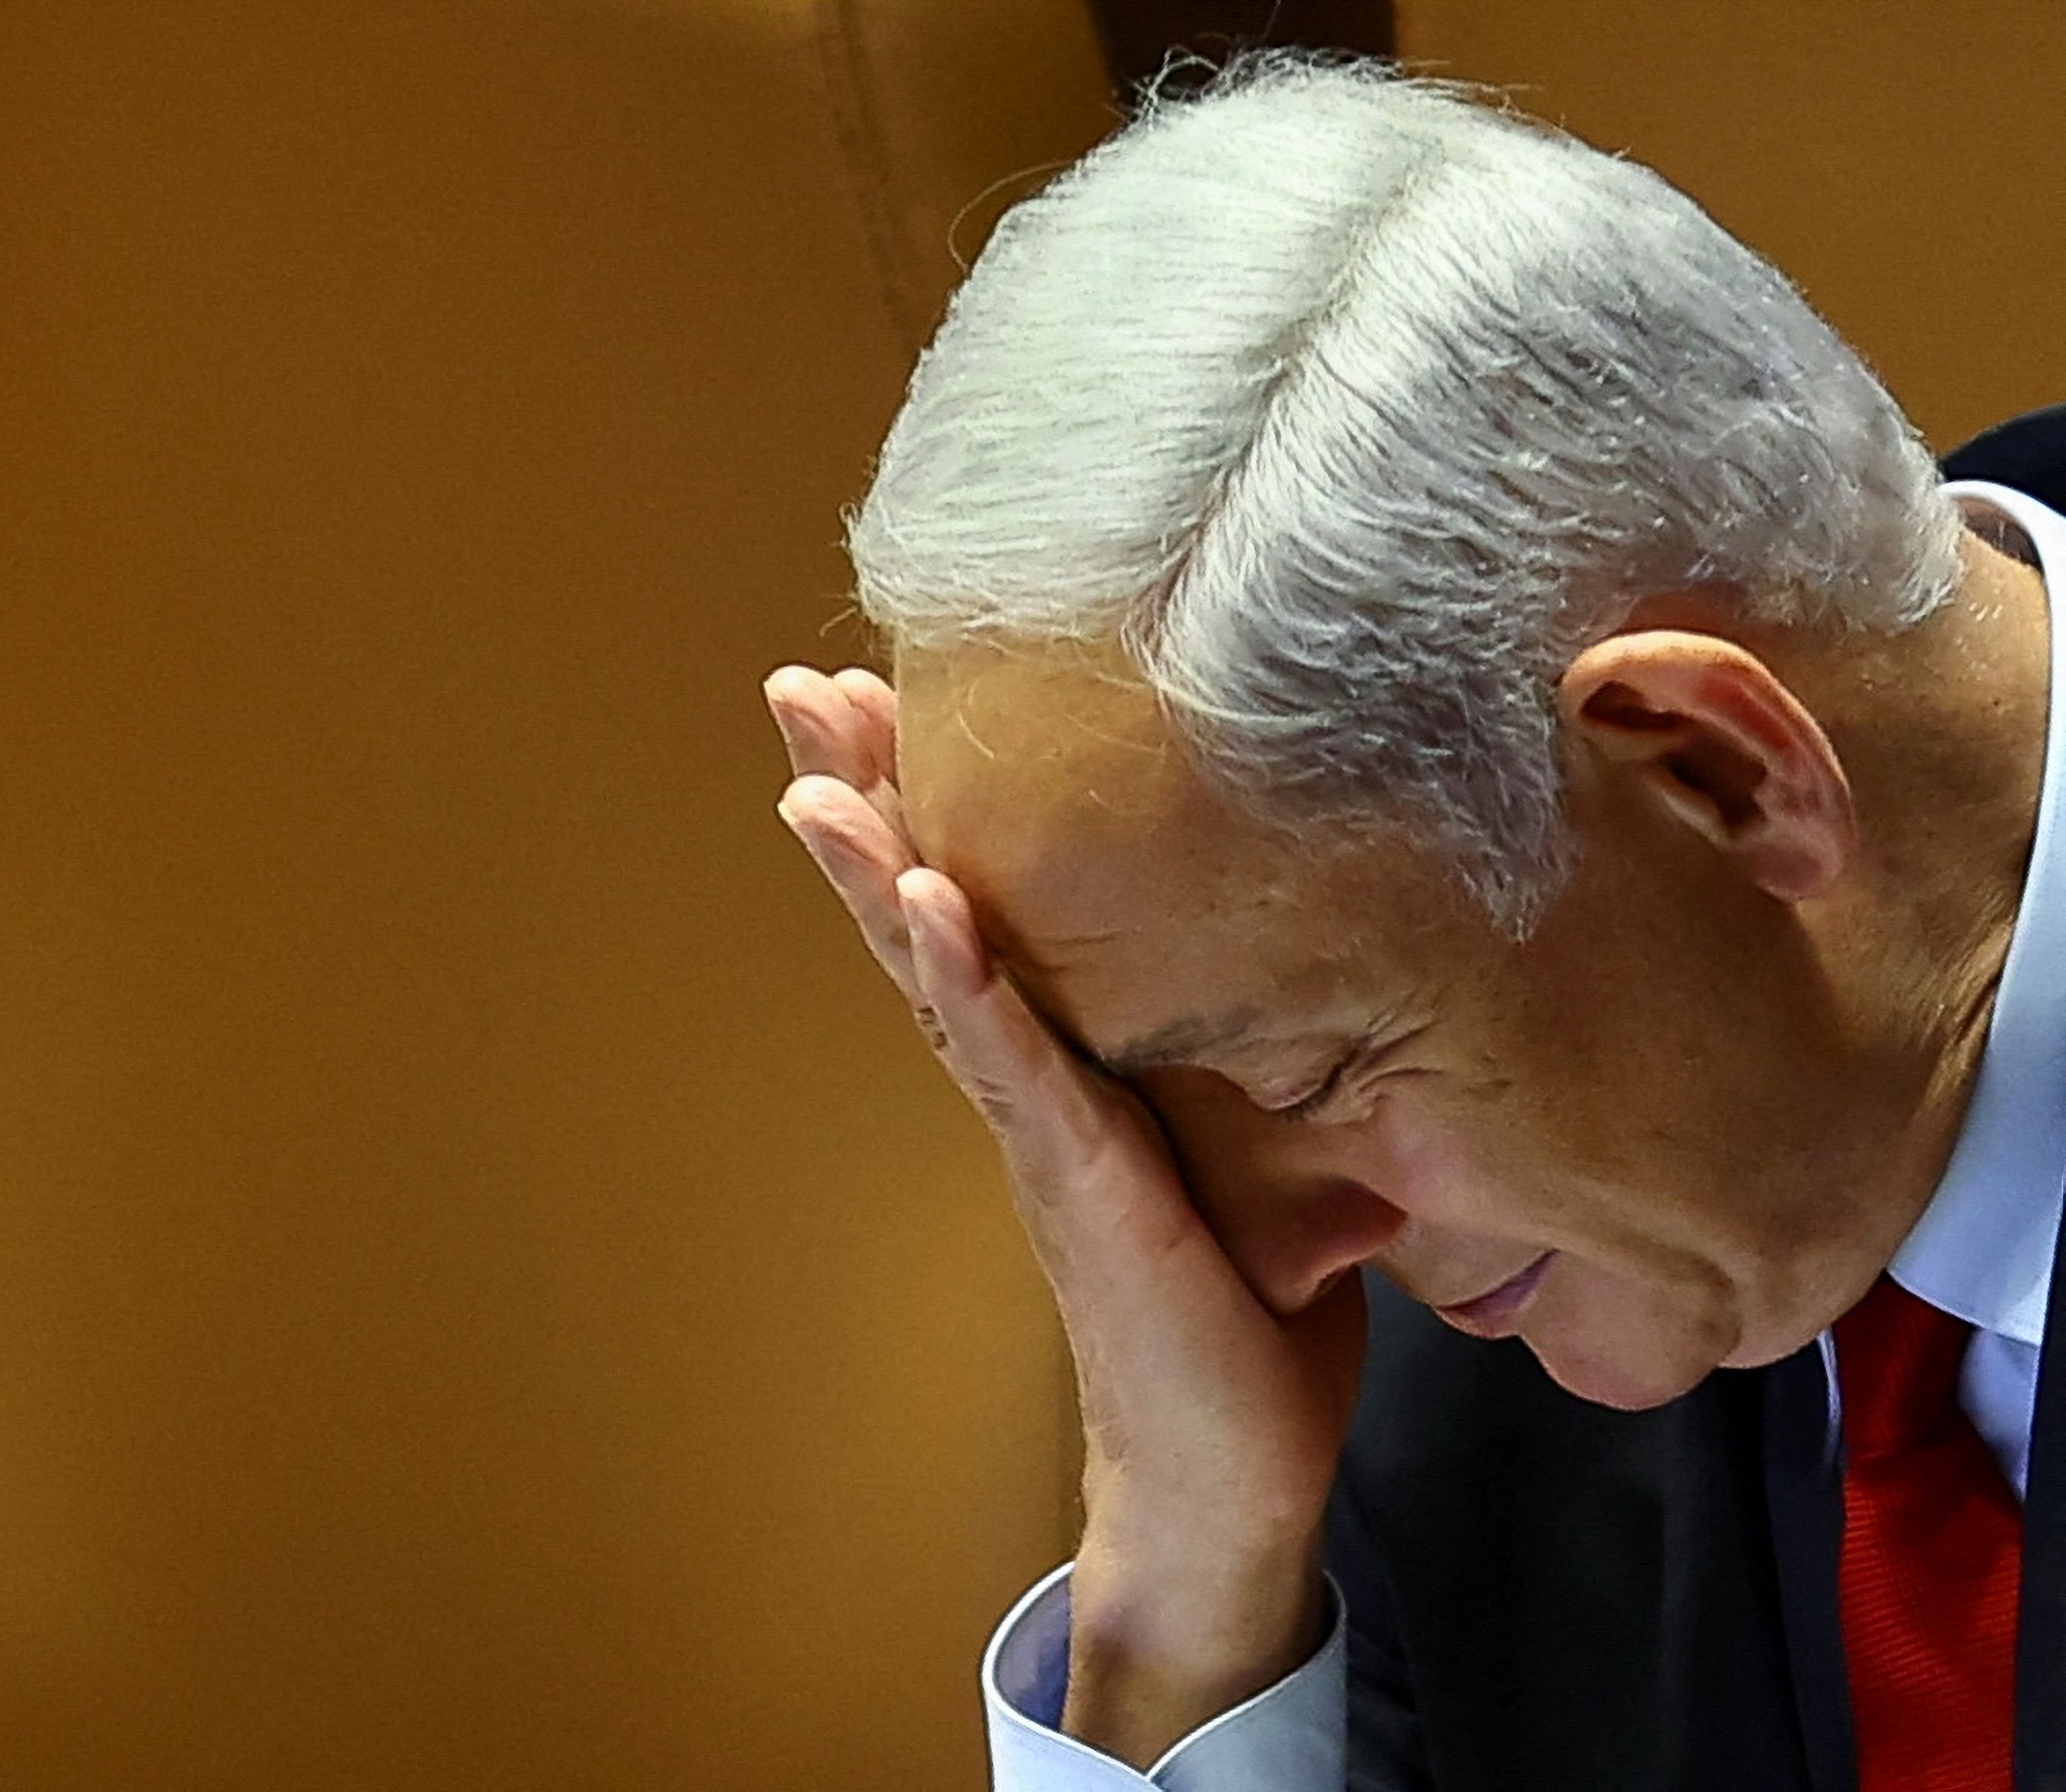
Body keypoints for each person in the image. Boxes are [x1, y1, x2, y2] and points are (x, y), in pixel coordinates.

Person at [762, 52, 2066, 1791]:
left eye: (1304, 1077)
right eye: (1152, 1106)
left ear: (1714, 775)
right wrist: (1188, 1565)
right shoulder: (1435, 1398)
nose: (1265, 1256)